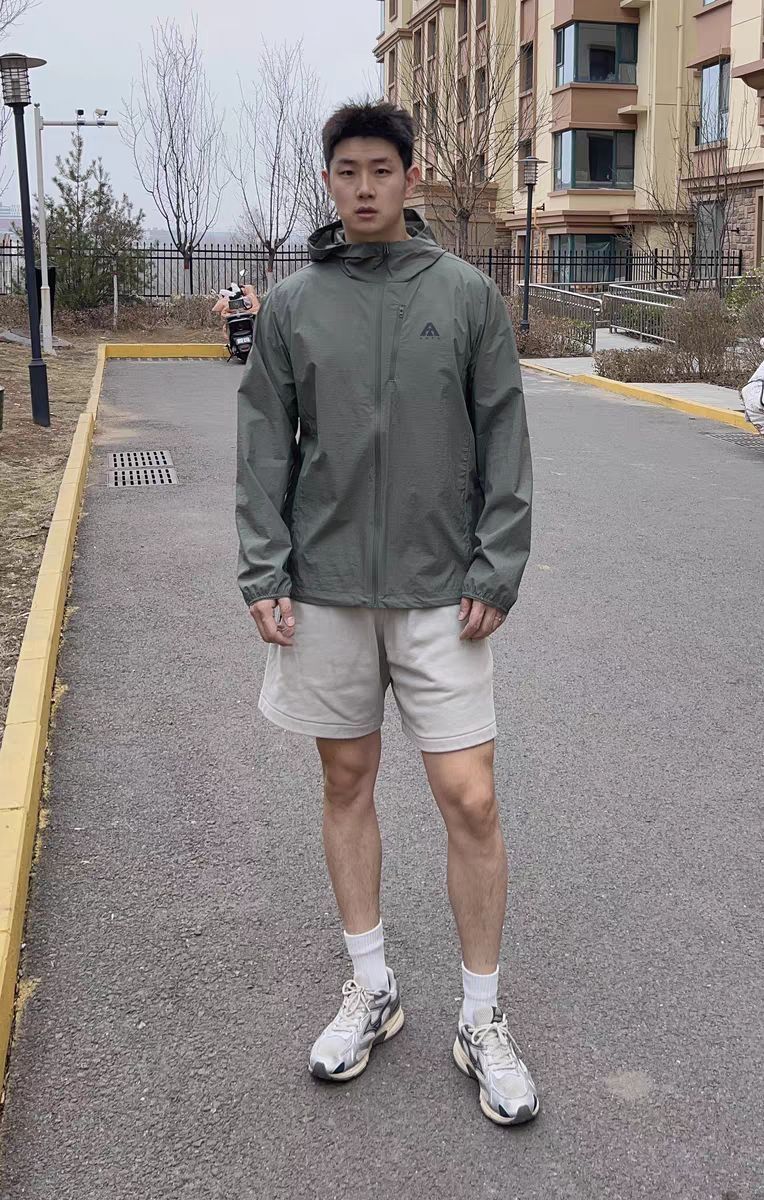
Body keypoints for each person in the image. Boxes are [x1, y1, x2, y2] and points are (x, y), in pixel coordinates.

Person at [236, 102, 536, 1126]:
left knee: (471, 798)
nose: (363, 186)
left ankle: (481, 1018)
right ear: (328, 181)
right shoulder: (292, 305)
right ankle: (373, 989)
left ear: (411, 178)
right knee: (346, 779)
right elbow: (265, 445)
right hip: (324, 588)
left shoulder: (465, 296)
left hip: (442, 592)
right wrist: (264, 570)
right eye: (346, 171)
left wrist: (497, 565)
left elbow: (503, 437)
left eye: (380, 169)